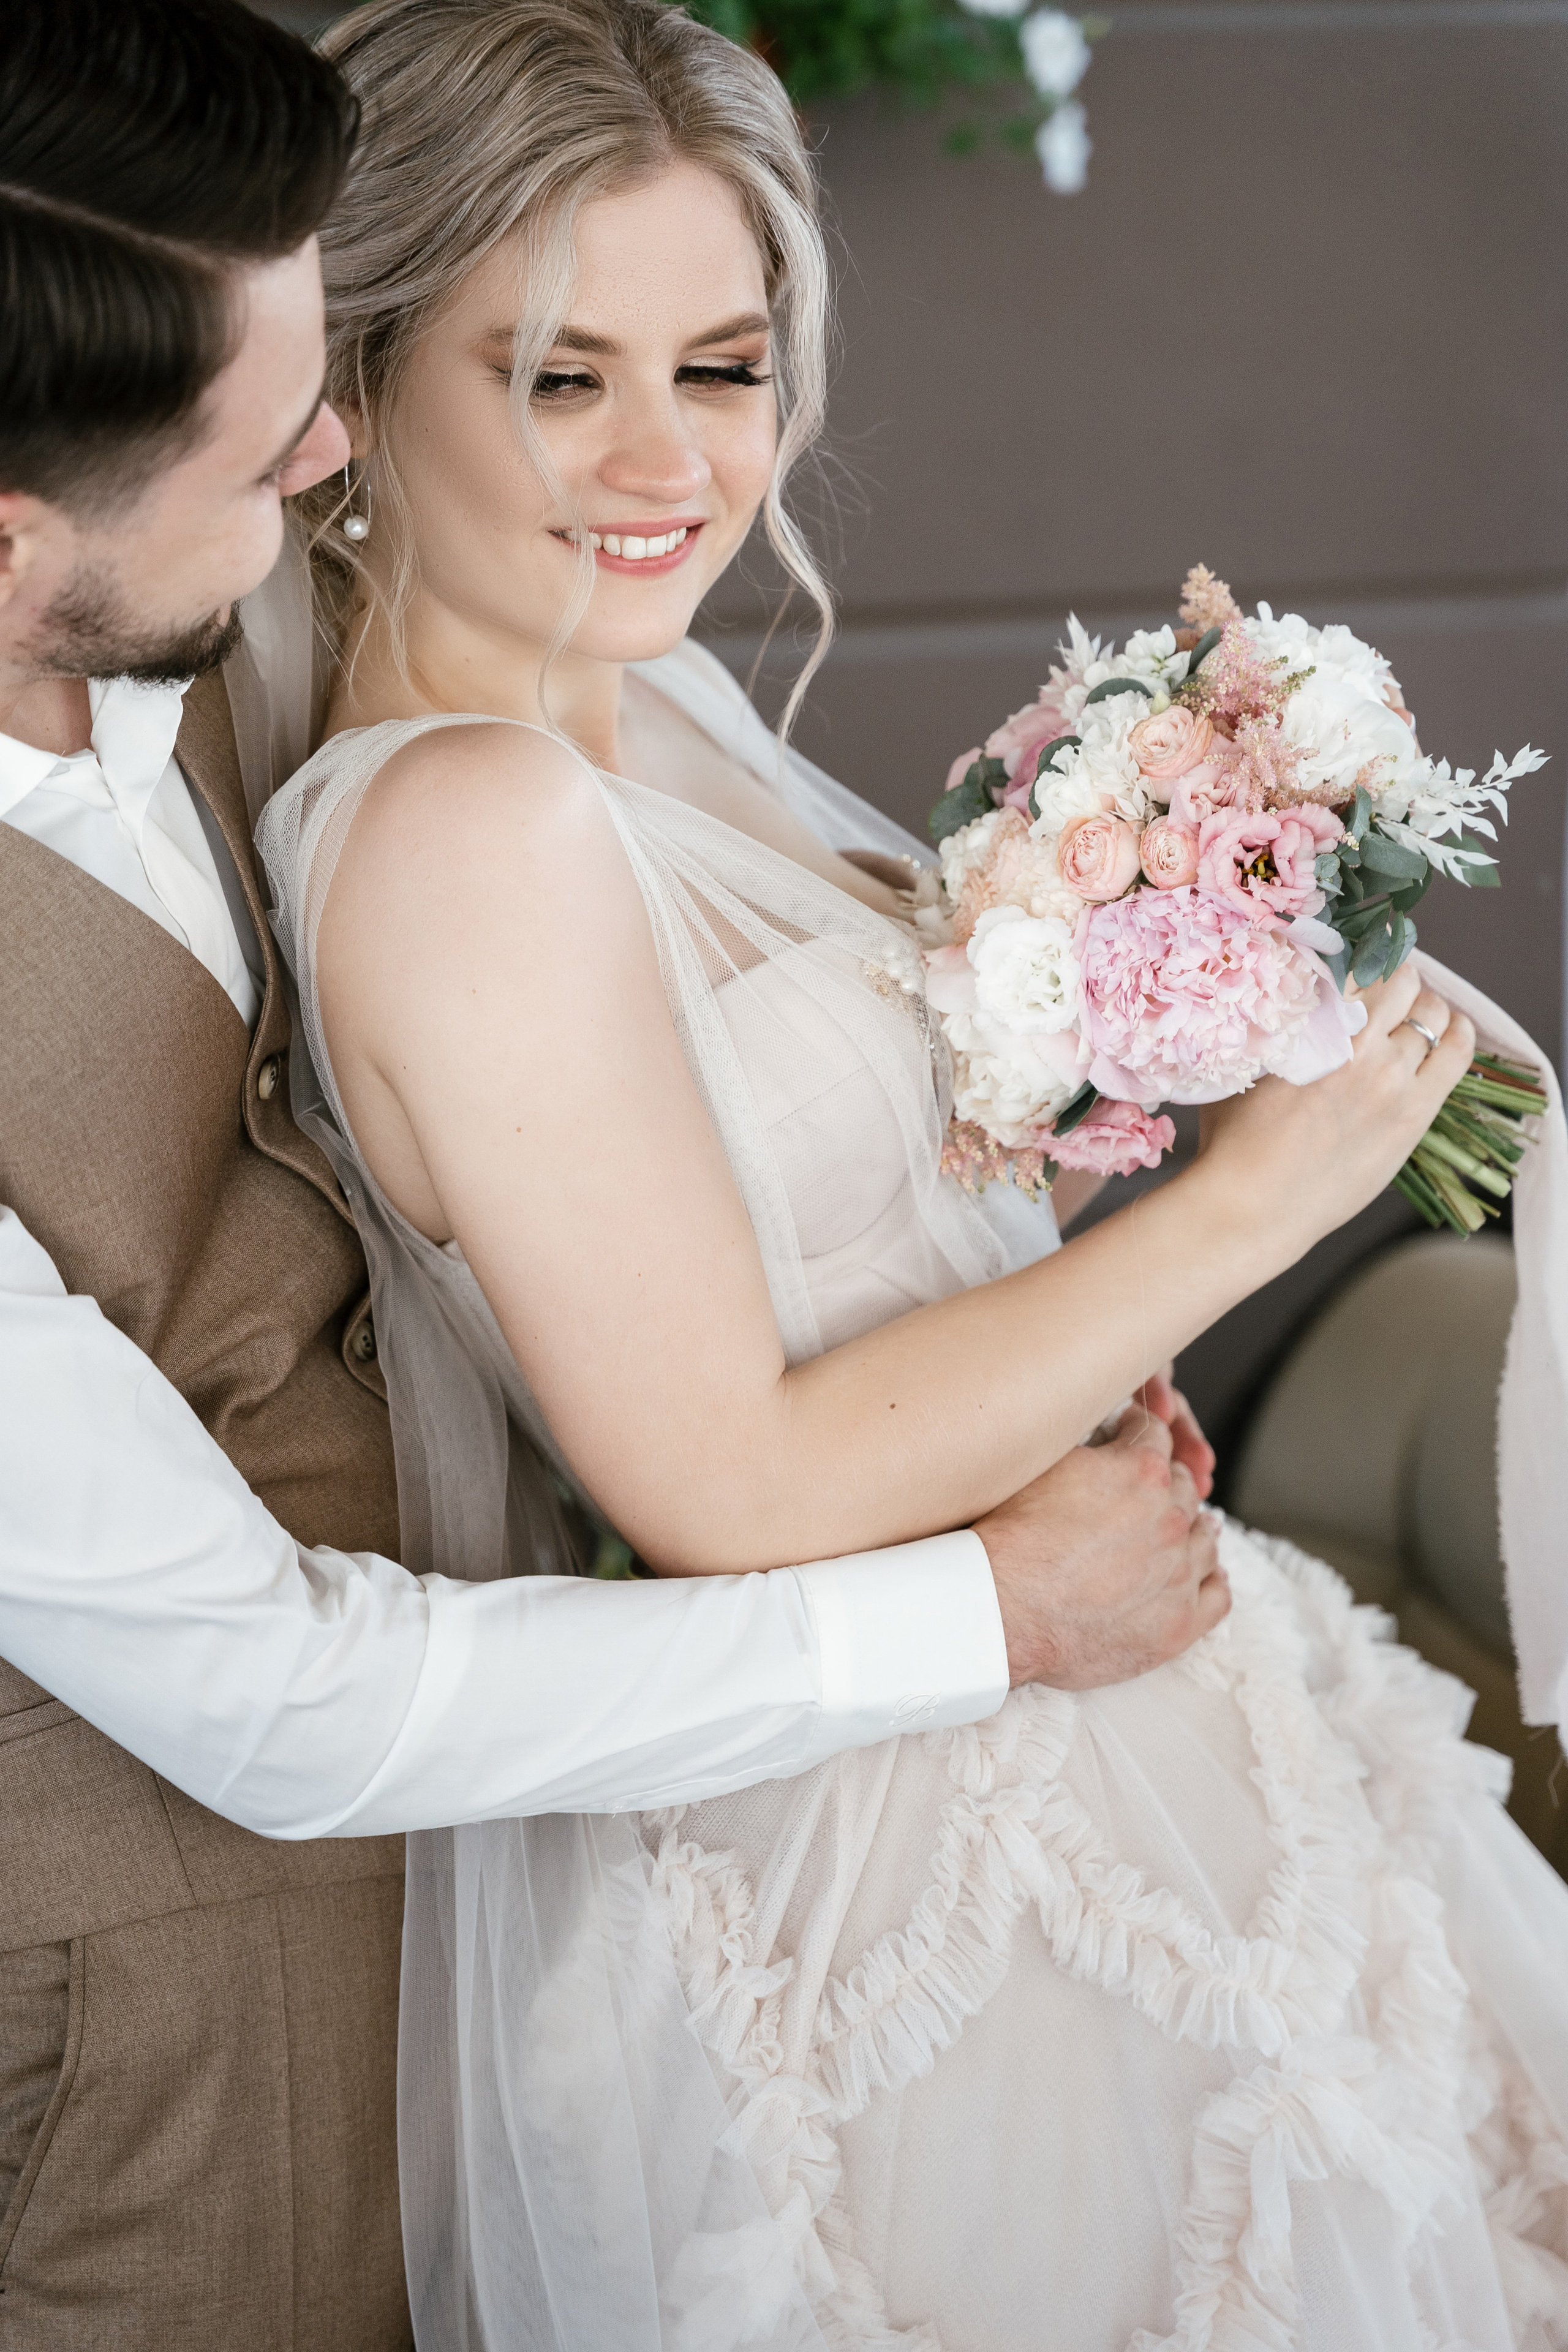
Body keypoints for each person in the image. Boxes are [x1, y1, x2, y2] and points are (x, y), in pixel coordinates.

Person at [254, 2, 1568, 2346]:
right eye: (558, 377)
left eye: (726, 365)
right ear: (352, 392)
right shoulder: (469, 826)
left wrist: (1172, 1001)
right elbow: (724, 1478)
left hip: (1115, 1672)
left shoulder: (641, 702)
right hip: (889, 1851)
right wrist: (1255, 1203)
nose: (669, 458)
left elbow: (822, 1250)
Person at [0, 4, 1227, 2344]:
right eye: (274, 445)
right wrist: (980, 1612)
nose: (336, 446)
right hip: (155, 2013)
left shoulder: (254, 648)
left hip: (601, 1844)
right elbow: (283, 1699)